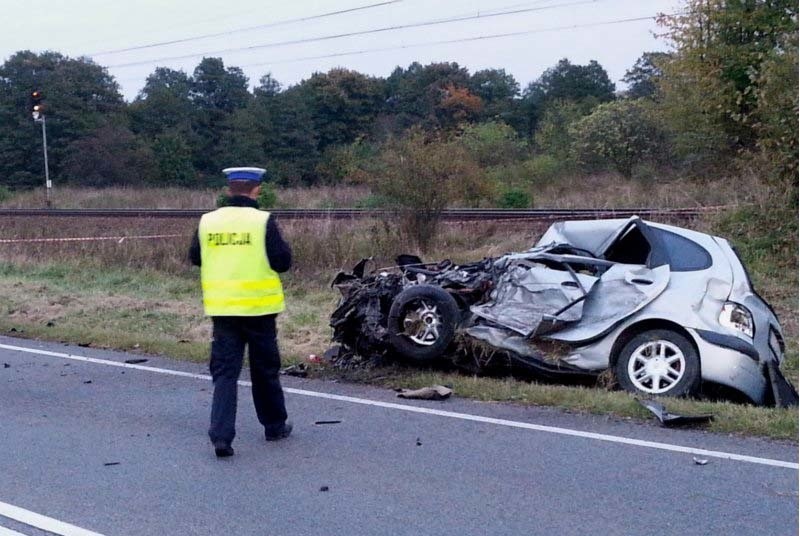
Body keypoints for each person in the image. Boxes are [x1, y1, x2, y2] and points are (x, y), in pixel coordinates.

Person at [189, 167, 293, 458]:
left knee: (225, 373)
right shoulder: (263, 221)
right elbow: (282, 261)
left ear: (228, 189)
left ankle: (221, 436)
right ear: (257, 190)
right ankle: (274, 425)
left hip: (223, 308)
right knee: (265, 370)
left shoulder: (208, 221)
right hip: (259, 308)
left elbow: (196, 257)